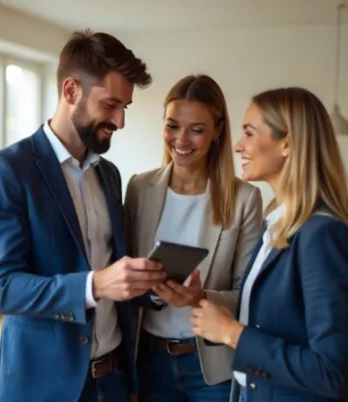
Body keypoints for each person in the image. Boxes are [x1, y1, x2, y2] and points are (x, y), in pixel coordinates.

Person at [0, 29, 162, 402]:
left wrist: (153, 286)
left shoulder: (109, 174)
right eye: (110, 105)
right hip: (44, 386)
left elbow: (113, 273)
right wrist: (93, 286)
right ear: (71, 91)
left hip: (112, 379)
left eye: (125, 107)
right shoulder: (7, 169)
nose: (120, 121)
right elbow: (3, 288)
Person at [189, 87, 348, 402]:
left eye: (249, 133)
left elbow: (331, 372)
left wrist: (232, 334)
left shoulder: (322, 236)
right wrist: (202, 300)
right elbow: (270, 318)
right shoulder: (276, 225)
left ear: (287, 144)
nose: (237, 146)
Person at [124, 74, 263, 401]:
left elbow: (250, 294)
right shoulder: (138, 189)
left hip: (210, 366)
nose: (181, 139)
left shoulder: (244, 199)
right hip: (149, 360)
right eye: (172, 125)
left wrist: (199, 297)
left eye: (196, 129)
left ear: (217, 132)